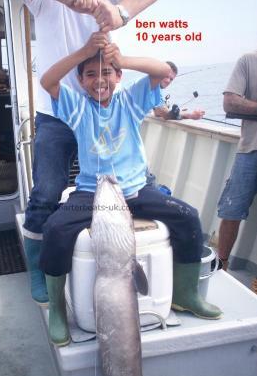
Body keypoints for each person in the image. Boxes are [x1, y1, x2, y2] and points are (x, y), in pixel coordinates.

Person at [38, 32, 222, 346]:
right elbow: (48, 81)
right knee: (55, 229)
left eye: (107, 72)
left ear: (119, 76)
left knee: (188, 218)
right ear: (81, 81)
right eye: (91, 75)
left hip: (136, 191)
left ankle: (185, 294)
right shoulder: (76, 106)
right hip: (92, 195)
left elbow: (162, 70)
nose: (99, 80)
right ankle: (57, 308)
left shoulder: (131, 100)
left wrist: (120, 57)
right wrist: (84, 50)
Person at [9, 0, 168, 306]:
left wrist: (121, 11)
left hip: (104, 108)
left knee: (141, 181)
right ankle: (39, 269)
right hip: (57, 110)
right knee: (46, 193)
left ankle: (148, 258)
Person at [217, 52, 257, 271]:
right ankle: (221, 264)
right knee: (231, 211)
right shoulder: (248, 61)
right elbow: (230, 102)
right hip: (250, 148)